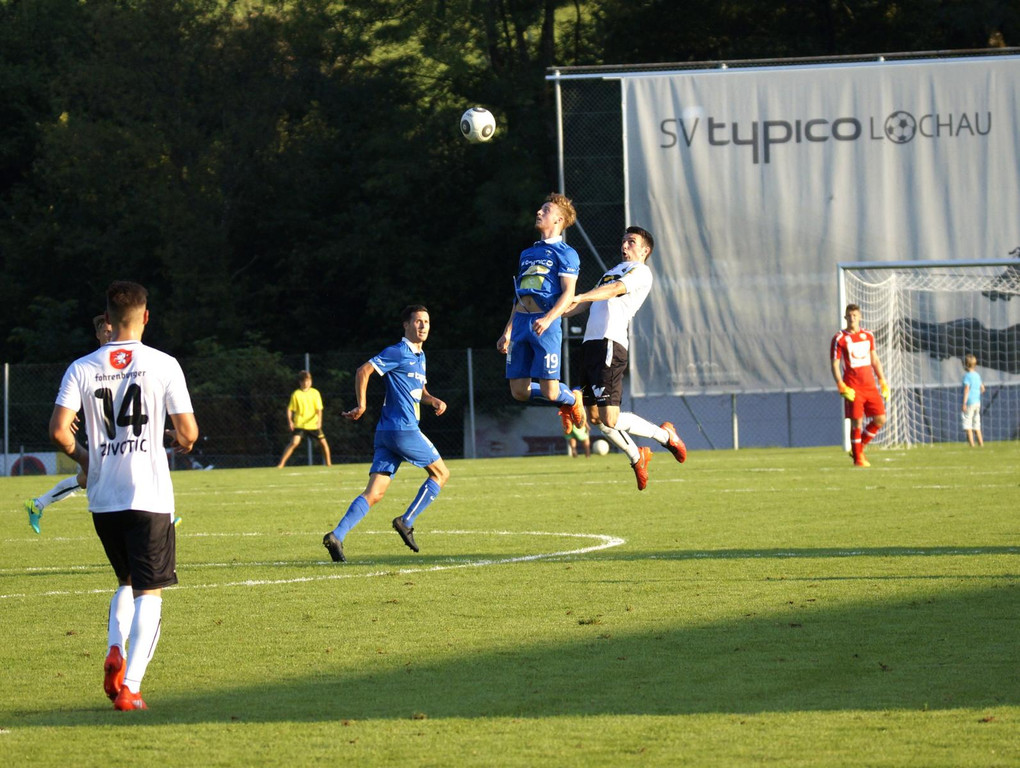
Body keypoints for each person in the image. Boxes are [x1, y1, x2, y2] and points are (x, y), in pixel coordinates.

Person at [49, 281, 199, 711]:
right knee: (150, 593)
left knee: (126, 580)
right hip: (149, 497)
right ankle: (130, 686)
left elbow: (59, 432)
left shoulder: (81, 367)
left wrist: (86, 459)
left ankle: (116, 646)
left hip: (103, 498)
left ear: (108, 319)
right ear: (146, 317)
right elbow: (189, 433)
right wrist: (173, 438)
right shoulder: (163, 364)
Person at [323, 305, 449, 563]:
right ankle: (406, 520)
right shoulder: (398, 351)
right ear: (406, 325)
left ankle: (337, 535)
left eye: (426, 321)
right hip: (403, 429)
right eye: (417, 321)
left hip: (387, 434)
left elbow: (420, 392)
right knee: (441, 473)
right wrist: (362, 405)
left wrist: (433, 400)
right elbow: (363, 370)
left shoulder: (420, 357)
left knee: (375, 493)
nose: (423, 326)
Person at [565, 226, 687, 490]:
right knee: (595, 418)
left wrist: (581, 295)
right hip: (590, 346)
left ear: (645, 250)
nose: (625, 246)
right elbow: (586, 304)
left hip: (610, 343)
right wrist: (554, 313)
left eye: (631, 242)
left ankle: (665, 435)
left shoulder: (641, 272)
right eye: (623, 241)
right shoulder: (610, 272)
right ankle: (637, 456)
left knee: (610, 418)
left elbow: (615, 290)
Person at [497, 192, 585, 435]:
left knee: (550, 392)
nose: (539, 212)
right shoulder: (527, 253)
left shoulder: (566, 253)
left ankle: (572, 398)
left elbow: (568, 293)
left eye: (546, 210)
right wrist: (507, 332)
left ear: (558, 220)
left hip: (545, 324)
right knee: (519, 392)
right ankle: (566, 399)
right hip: (522, 323)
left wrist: (548, 318)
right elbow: (520, 297)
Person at [24, 314, 112, 533]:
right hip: (102, 435)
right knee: (102, 477)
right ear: (98, 334)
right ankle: (159, 523)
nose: (111, 334)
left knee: (85, 479)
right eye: (106, 330)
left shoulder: (126, 361)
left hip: (120, 433)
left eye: (114, 330)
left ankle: (38, 504)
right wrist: (71, 412)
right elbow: (75, 391)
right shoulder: (88, 364)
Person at [830, 303, 889, 467]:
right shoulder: (839, 338)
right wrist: (840, 385)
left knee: (880, 418)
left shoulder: (868, 335)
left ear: (860, 317)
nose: (852, 318)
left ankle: (858, 448)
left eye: (855, 315)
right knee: (857, 422)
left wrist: (882, 380)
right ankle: (858, 459)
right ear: (845, 318)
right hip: (853, 387)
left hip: (870, 385)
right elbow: (835, 364)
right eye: (849, 316)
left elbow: (875, 359)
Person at [277, 370, 332, 467]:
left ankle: (328, 464)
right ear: (300, 382)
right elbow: (290, 409)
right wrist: (290, 421)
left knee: (323, 443)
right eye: (304, 381)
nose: (307, 383)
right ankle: (281, 464)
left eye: (308, 381)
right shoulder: (296, 394)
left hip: (313, 424)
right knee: (294, 442)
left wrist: (319, 421)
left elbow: (319, 409)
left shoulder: (315, 393)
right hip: (300, 424)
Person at [962, 354, 985, 447]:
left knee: (967, 424)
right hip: (977, 402)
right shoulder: (977, 375)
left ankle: (972, 445)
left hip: (969, 402)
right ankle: (981, 444)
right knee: (976, 423)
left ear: (966, 365)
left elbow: (966, 389)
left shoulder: (967, 376)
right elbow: (983, 388)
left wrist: (964, 403)